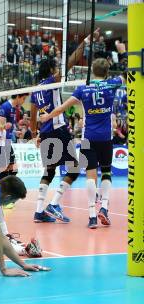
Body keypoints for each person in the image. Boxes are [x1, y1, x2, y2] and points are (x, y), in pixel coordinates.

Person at [40, 58, 125, 229]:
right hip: (106, 138)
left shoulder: (83, 88)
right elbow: (126, 75)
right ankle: (105, 208)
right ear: (107, 72)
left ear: (92, 71)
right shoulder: (113, 84)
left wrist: (47, 117)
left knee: (90, 176)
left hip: (88, 138)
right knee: (107, 172)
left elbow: (62, 108)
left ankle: (92, 217)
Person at [30, 29, 99, 223]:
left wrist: (36, 133)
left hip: (44, 133)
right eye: (54, 68)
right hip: (58, 129)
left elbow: (32, 113)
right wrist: (85, 42)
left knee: (49, 171)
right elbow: (71, 62)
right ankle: (53, 203)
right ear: (52, 71)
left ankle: (38, 211)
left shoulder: (34, 90)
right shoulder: (52, 81)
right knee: (75, 168)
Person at [0, 93, 29, 180]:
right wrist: (5, 126)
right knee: (4, 172)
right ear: (18, 97)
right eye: (23, 99)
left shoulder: (14, 108)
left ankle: (7, 191)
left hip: (7, 142)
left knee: (13, 170)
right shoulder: (5, 107)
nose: (24, 101)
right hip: (0, 142)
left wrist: (14, 132)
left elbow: (9, 127)